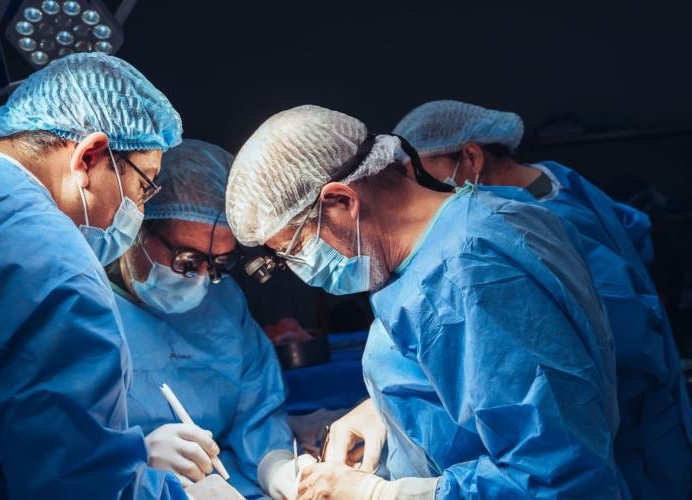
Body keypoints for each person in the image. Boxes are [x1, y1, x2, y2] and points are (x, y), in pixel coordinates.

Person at [224, 105, 625, 499]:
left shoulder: (470, 271)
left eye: (294, 248)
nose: (301, 268)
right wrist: (386, 412)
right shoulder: (462, 230)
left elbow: (556, 474)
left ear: (342, 201)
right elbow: (471, 378)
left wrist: (383, 494)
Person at [0, 53, 186, 499]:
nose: (139, 212)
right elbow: (83, 486)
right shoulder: (54, 262)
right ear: (90, 156)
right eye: (144, 187)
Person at [393, 100, 692, 499]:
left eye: (423, 174)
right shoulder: (556, 180)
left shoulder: (534, 224)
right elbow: (635, 234)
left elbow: (610, 339)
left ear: (471, 155)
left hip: (633, 430)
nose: (420, 192)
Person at [107, 139, 312, 499]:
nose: (202, 277)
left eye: (219, 263)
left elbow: (256, 411)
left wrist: (276, 466)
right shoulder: (85, 306)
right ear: (138, 228)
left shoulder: (224, 302)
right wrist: (130, 458)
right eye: (187, 259)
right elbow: (52, 448)